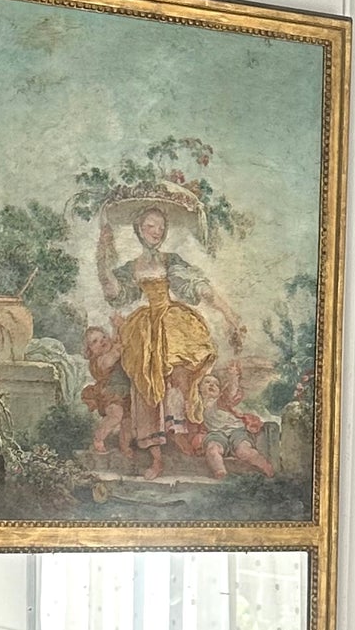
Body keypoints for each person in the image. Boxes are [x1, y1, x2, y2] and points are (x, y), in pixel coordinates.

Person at [96, 205, 244, 479]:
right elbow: (114, 291)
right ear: (139, 229)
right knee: (146, 387)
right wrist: (102, 255)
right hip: (144, 330)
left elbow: (198, 286)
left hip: (172, 324)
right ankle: (156, 459)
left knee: (179, 379)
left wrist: (228, 313)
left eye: (161, 227)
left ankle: (183, 436)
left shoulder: (170, 261)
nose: (156, 232)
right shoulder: (132, 267)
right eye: (150, 226)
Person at [198, 373, 276, 480]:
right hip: (215, 434)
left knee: (244, 451)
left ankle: (266, 467)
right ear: (199, 388)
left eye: (216, 384)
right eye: (207, 382)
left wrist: (233, 378)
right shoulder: (197, 404)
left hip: (237, 431)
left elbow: (230, 394)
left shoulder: (220, 402)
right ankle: (220, 473)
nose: (211, 385)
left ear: (219, 391)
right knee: (212, 450)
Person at [80, 325, 133, 456]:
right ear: (90, 350)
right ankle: (99, 437)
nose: (102, 341)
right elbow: (115, 354)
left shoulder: (110, 350)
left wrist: (116, 329)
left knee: (127, 421)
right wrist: (122, 339)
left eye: (103, 337)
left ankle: (125, 446)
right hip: (109, 393)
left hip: (126, 393)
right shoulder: (101, 360)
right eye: (95, 341)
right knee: (116, 415)